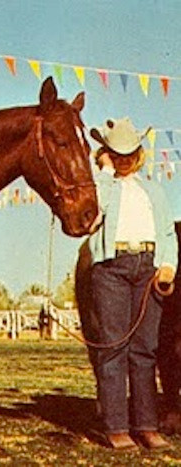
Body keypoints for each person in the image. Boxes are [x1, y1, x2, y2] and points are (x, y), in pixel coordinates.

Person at [88, 117, 178, 450]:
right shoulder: (102, 184)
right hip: (112, 268)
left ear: (138, 153)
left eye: (129, 153)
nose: (123, 158)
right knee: (114, 347)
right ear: (107, 153)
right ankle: (115, 426)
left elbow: (167, 232)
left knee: (145, 350)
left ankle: (146, 425)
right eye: (116, 153)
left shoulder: (153, 189)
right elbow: (94, 215)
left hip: (148, 268)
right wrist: (106, 173)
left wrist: (167, 265)